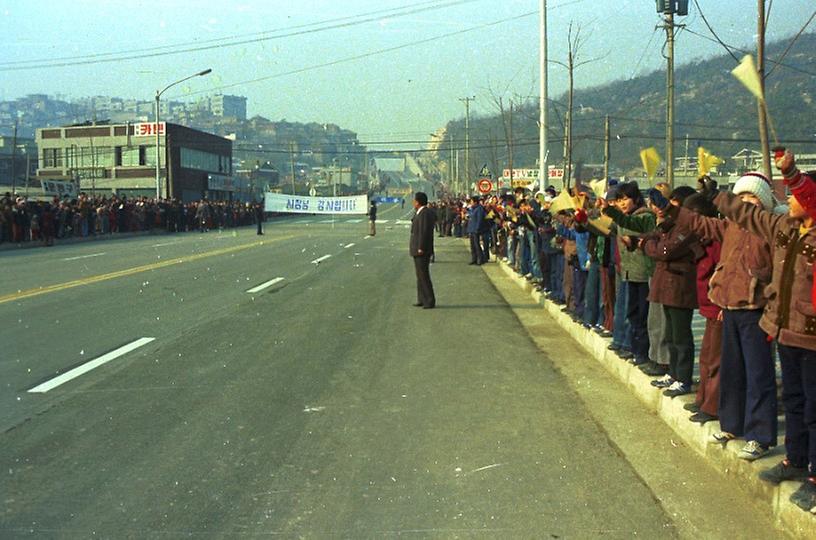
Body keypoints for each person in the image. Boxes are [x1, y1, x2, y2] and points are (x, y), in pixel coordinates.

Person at [409, 192, 436, 309]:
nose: (413, 202)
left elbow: (424, 232)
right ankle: (421, 298)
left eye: (414, 200)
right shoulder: (419, 212)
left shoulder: (424, 213)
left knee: (424, 275)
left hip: (422, 249)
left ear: (418, 202)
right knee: (419, 275)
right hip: (417, 247)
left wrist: (421, 247)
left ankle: (429, 300)